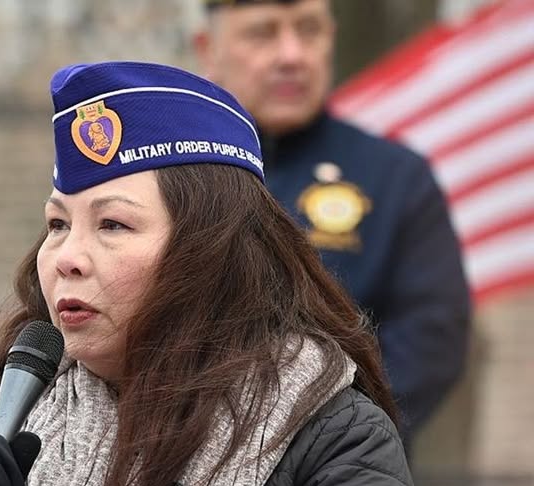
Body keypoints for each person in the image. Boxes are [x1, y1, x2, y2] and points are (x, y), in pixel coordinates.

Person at [0, 61, 424, 486]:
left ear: (211, 252)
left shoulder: (333, 437)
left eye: (113, 224)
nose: (67, 257)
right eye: (57, 224)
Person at [193, 0, 472, 440]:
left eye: (309, 29)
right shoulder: (174, 175)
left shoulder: (394, 178)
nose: (292, 55)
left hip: (346, 462)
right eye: (263, 33)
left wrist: (320, 439)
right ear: (208, 49)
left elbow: (430, 340)